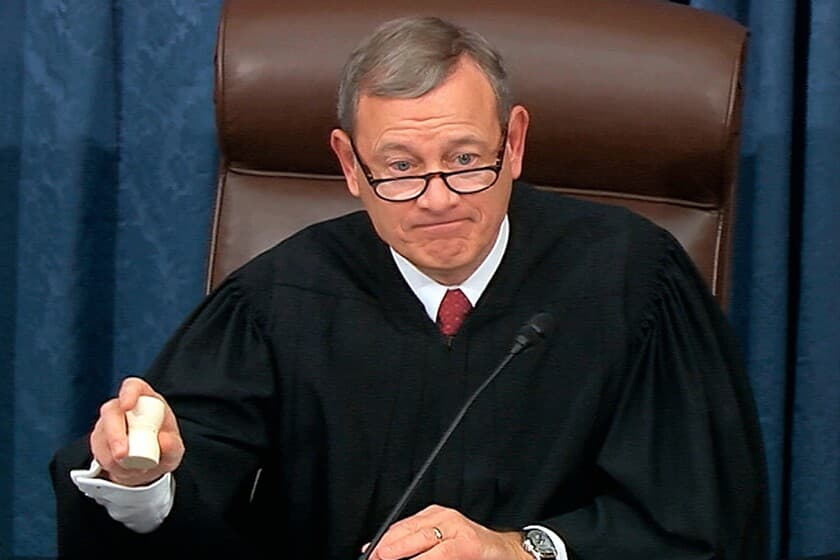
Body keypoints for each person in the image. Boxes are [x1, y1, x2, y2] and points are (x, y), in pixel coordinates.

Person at [51, 15, 768, 560]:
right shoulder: (280, 299)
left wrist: (522, 549)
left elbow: (699, 513)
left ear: (513, 143)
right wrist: (140, 481)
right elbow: (189, 493)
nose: (437, 199)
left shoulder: (633, 280)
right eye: (399, 167)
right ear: (350, 165)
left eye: (465, 158)